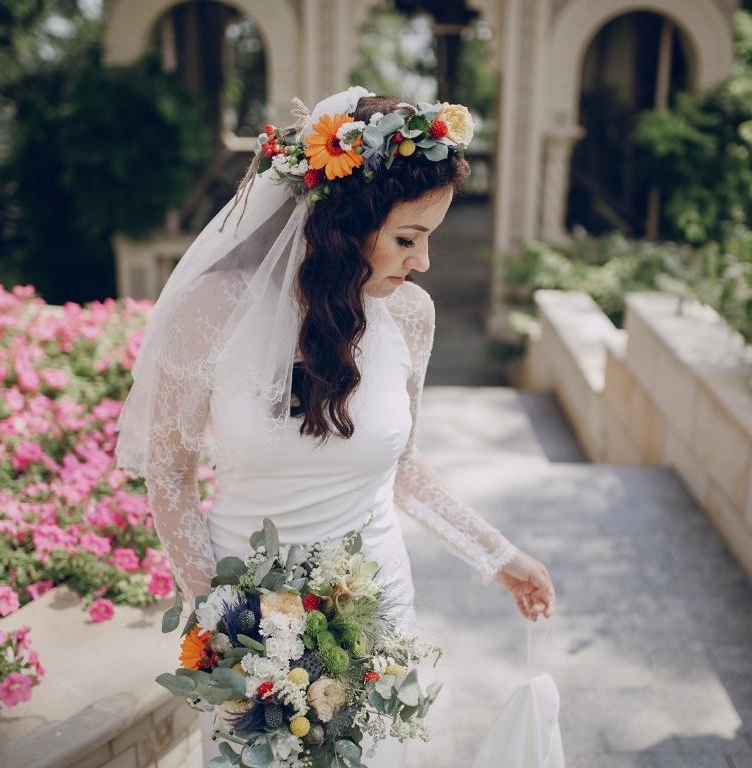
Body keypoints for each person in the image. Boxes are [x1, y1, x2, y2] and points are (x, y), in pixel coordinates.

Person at [114, 86, 556, 767]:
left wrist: (498, 558)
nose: (423, 262)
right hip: (251, 629)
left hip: (376, 619)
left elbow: (404, 468)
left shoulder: (410, 315)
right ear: (349, 226)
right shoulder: (213, 311)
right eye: (408, 238)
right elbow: (170, 473)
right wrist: (221, 621)